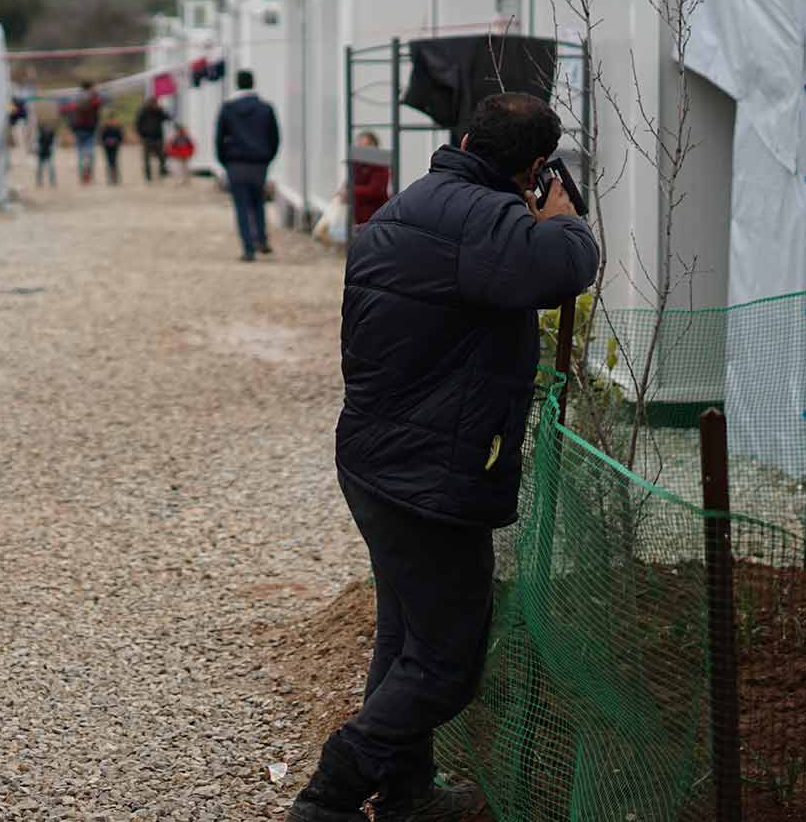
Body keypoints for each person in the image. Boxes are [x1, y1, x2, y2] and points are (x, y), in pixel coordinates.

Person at [290, 93, 598, 822]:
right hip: (430, 475)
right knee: (448, 661)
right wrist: (563, 214)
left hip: (371, 456)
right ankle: (331, 790)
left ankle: (406, 794)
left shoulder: (406, 206)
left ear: (462, 138)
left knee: (405, 638)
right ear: (531, 167)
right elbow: (566, 267)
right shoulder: (488, 222)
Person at [215, 70, 281, 262]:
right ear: (253, 83)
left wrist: (224, 161)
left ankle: (248, 248)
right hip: (259, 163)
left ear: (237, 84)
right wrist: (268, 158)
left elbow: (219, 138)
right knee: (258, 202)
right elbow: (275, 137)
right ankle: (261, 237)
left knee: (242, 206)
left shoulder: (228, 108)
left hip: (235, 162)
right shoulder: (266, 108)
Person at [350, 130, 392, 229]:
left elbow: (376, 190)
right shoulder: (357, 164)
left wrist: (352, 191)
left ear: (374, 147)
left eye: (366, 145)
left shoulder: (380, 165)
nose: (362, 149)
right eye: (360, 145)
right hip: (359, 216)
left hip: (374, 216)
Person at [68, 81, 103, 185]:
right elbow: (99, 105)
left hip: (78, 129)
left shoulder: (75, 98)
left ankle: (82, 178)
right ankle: (89, 177)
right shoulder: (93, 98)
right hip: (90, 129)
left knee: (80, 154)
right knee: (90, 153)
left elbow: (70, 112)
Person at [135, 95, 170, 181]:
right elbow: (138, 124)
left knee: (162, 156)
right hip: (147, 137)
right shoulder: (143, 111)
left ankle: (162, 172)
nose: (154, 104)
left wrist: (161, 110)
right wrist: (141, 135)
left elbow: (167, 118)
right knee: (146, 159)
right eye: (153, 102)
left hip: (158, 137)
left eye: (155, 102)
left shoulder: (159, 111)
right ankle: (148, 176)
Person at [99, 115, 125, 186]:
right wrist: (107, 142)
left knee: (114, 162)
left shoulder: (117, 128)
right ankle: (110, 178)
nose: (111, 122)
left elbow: (121, 137)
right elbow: (101, 138)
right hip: (107, 147)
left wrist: (115, 141)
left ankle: (115, 178)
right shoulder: (105, 128)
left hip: (115, 147)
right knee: (109, 163)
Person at [33, 117, 59, 188]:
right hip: (44, 152)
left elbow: (37, 143)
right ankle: (48, 181)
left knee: (44, 168)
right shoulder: (49, 133)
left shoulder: (43, 133)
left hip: (44, 152)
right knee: (47, 168)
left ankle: (41, 181)